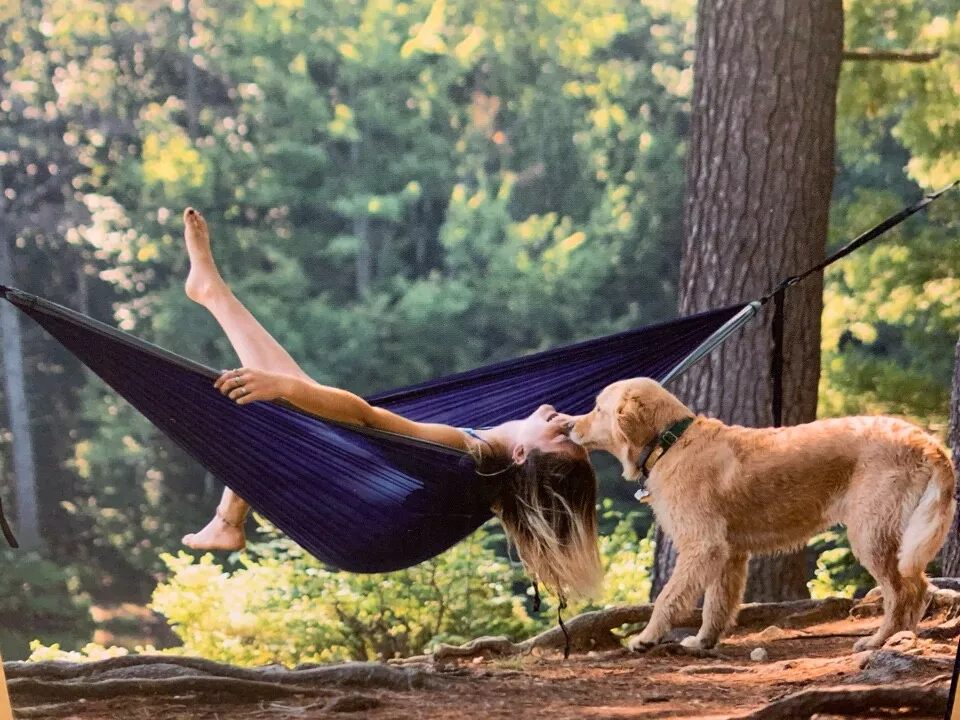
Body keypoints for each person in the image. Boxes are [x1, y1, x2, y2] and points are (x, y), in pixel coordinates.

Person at [178, 208, 602, 597]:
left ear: (522, 453)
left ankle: (228, 517)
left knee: (288, 404)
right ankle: (214, 294)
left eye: (561, 434)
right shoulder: (495, 472)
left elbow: (366, 418)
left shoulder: (467, 454)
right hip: (373, 532)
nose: (565, 420)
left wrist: (284, 390)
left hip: (359, 527)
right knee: (290, 403)